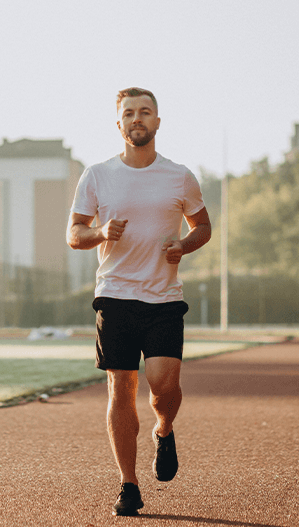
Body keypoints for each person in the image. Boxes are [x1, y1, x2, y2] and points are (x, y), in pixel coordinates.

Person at [66, 87, 211, 516]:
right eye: (129, 113)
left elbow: (202, 226)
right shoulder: (97, 175)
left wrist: (183, 246)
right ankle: (128, 484)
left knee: (164, 388)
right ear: (119, 124)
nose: (137, 119)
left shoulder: (179, 176)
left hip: (164, 298)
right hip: (115, 295)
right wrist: (100, 232)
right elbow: (74, 234)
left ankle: (164, 430)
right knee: (121, 388)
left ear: (157, 122)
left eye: (145, 112)